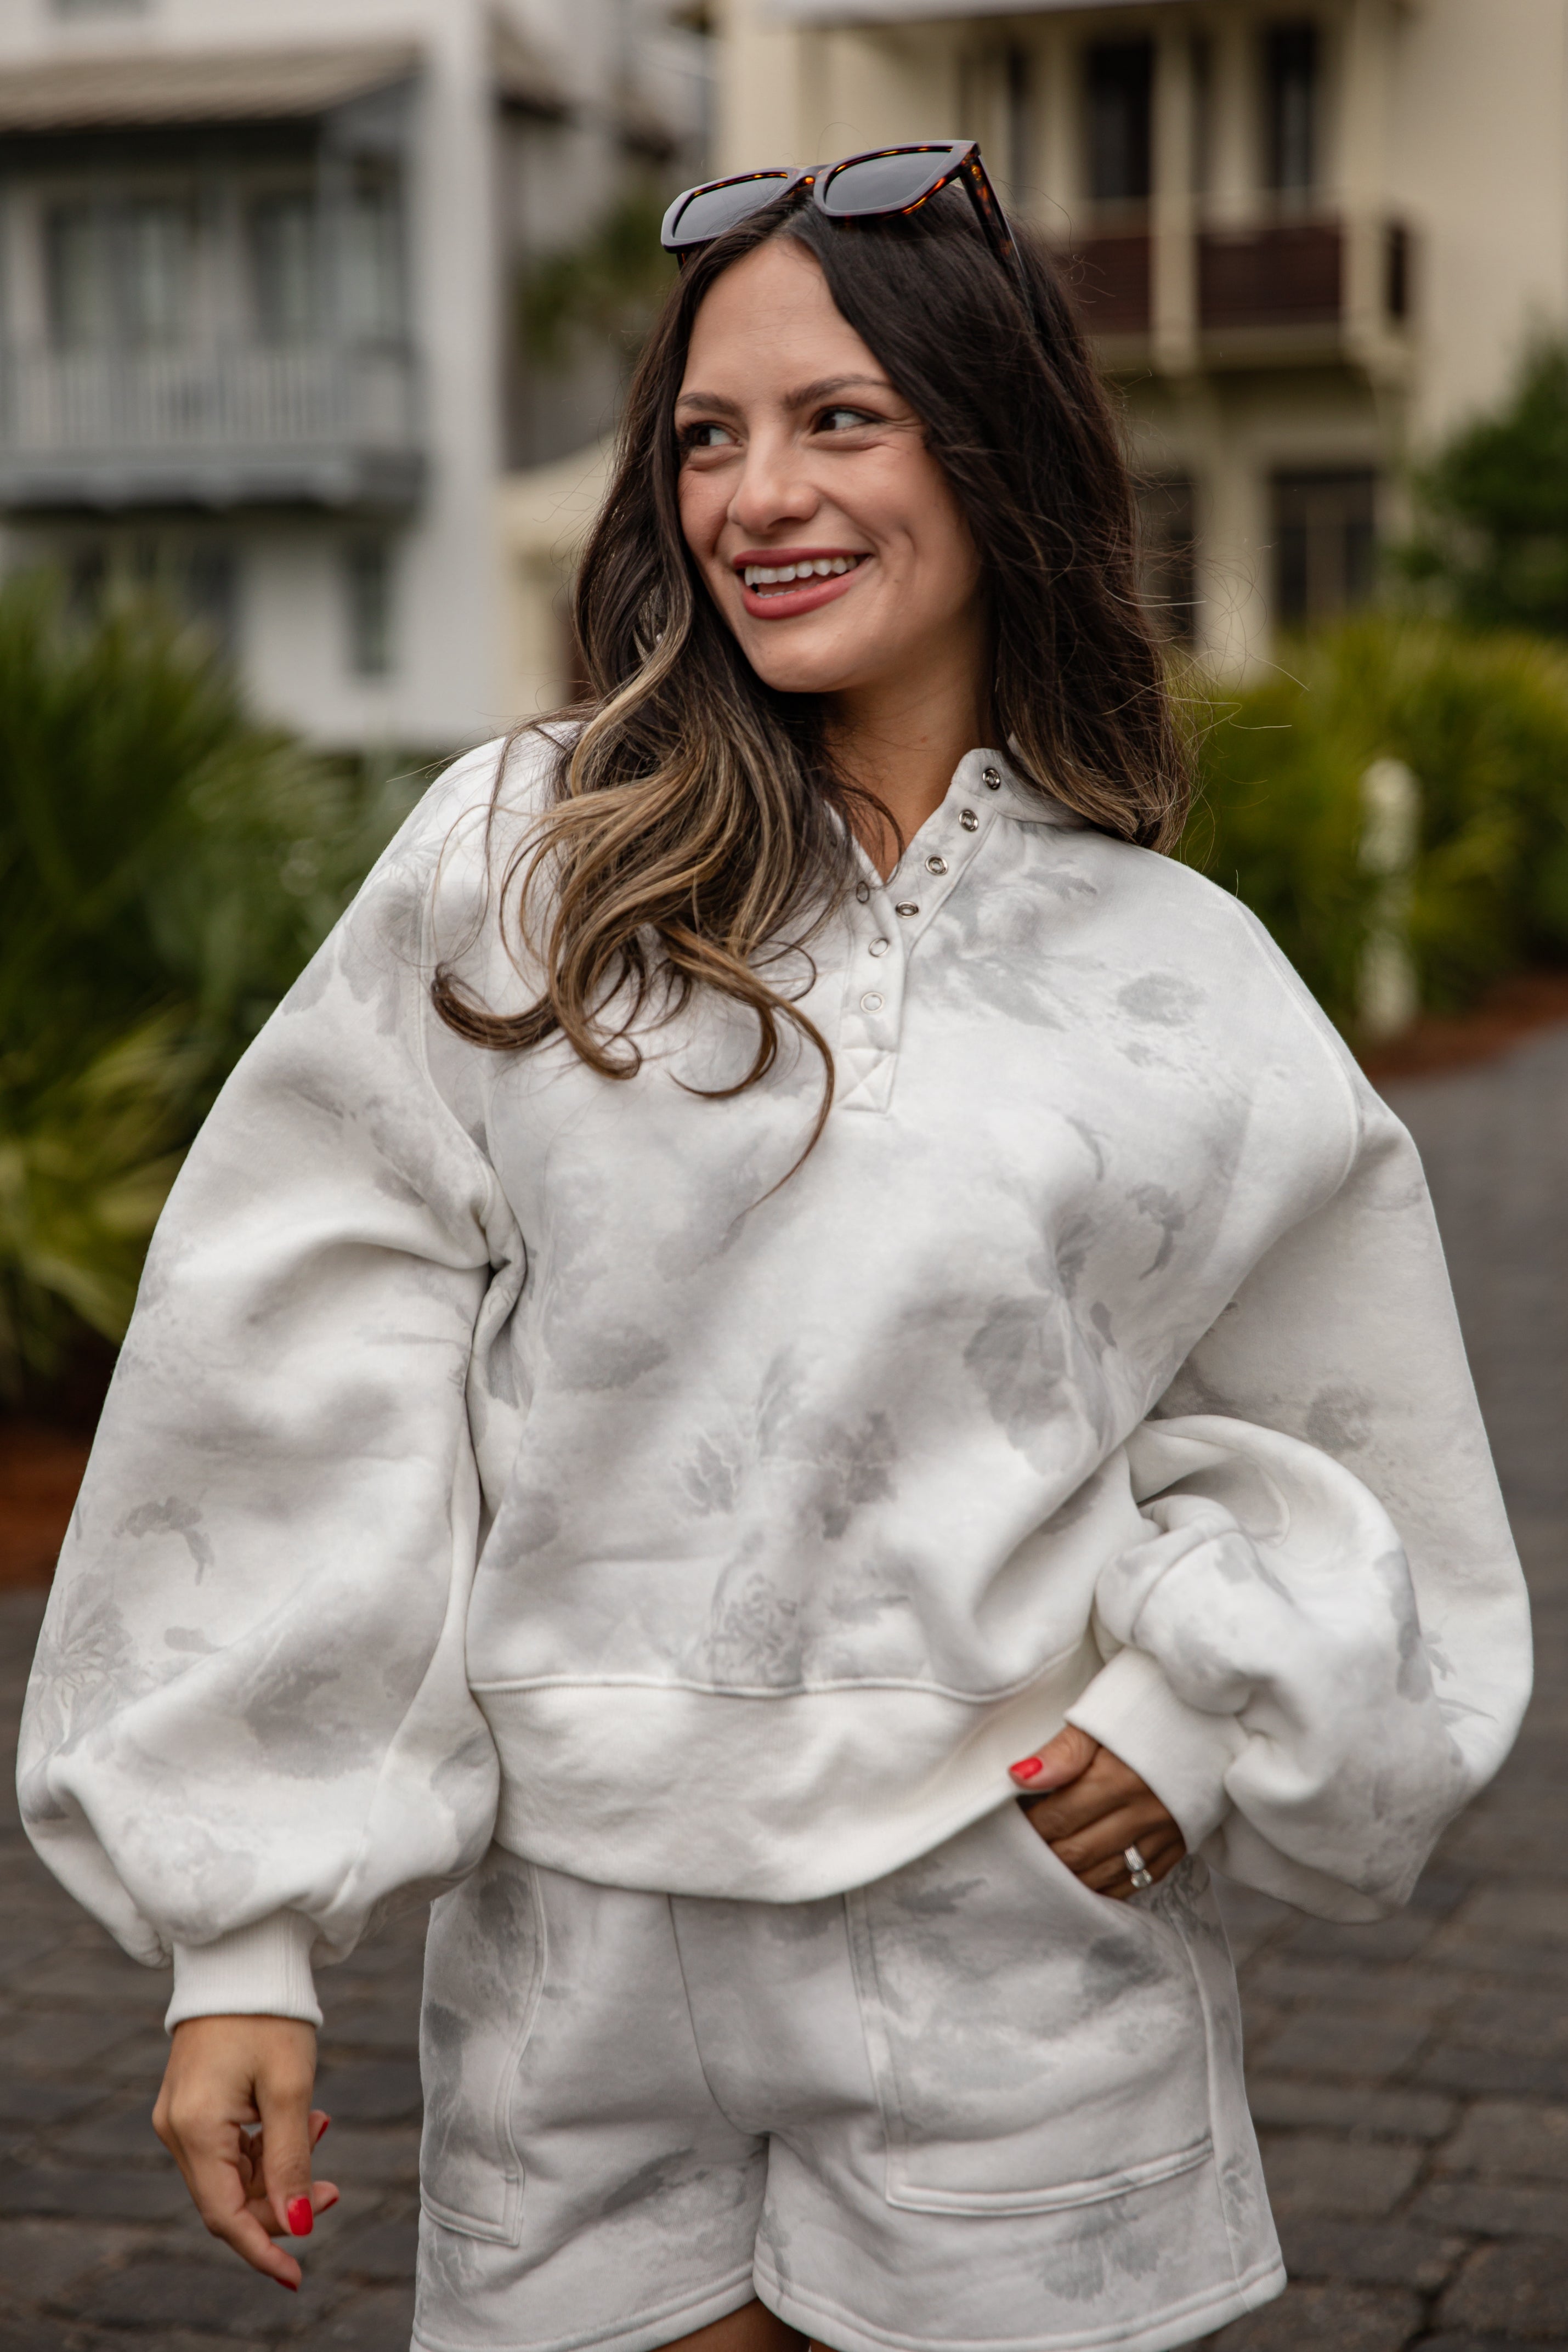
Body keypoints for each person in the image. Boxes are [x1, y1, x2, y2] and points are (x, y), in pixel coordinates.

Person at [20, 145, 1531, 2352]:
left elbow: (1335, 1434)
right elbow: (292, 1357)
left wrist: (1200, 1706)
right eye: (707, 437)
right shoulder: (527, 870)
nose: (757, 494)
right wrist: (241, 1941)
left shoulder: (1179, 972)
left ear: (990, 444)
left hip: (1011, 1959)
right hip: (579, 1970)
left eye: (838, 420)